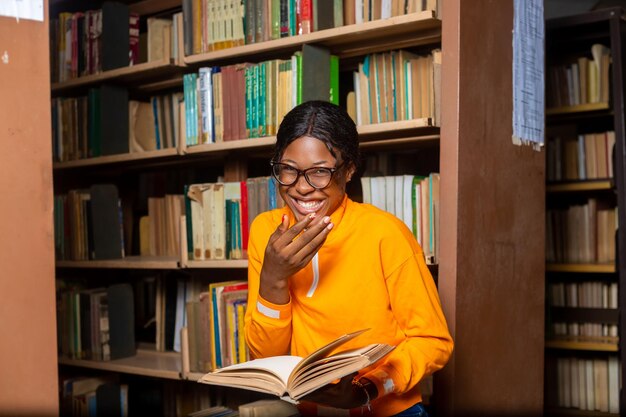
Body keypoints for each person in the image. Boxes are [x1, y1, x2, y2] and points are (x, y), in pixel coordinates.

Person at [244, 100, 453, 416]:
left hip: (387, 409)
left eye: (320, 172)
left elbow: (433, 341)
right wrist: (273, 277)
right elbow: (265, 355)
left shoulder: (386, 232)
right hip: (309, 410)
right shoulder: (268, 232)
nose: (301, 188)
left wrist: (369, 388)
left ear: (349, 170)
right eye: (288, 169)